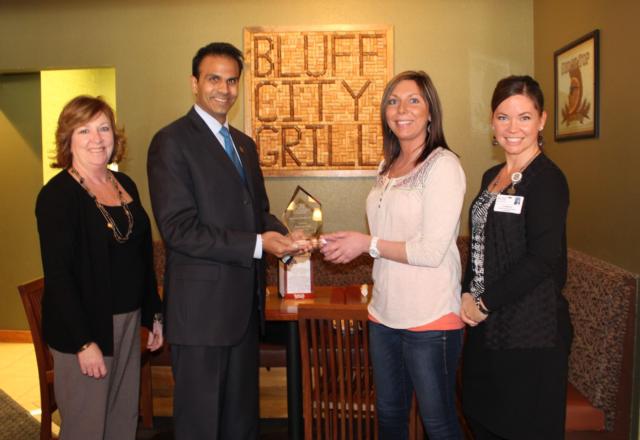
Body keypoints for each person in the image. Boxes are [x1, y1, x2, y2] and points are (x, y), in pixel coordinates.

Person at [147, 42, 307, 440]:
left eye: (232, 80)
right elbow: (179, 229)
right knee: (201, 425)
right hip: (200, 317)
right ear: (194, 83)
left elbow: (258, 213)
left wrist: (288, 235)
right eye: (214, 78)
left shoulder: (244, 144)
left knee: (241, 424)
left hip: (243, 314)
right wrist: (258, 244)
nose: (224, 88)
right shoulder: (171, 142)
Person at [321, 71, 466, 439]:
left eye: (413, 100)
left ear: (431, 111)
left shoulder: (444, 165)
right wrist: (344, 244)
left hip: (430, 318)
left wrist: (366, 243)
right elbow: (387, 235)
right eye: (392, 101)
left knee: (438, 424)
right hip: (384, 315)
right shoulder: (386, 167)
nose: (401, 109)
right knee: (388, 417)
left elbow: (432, 251)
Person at [35, 96, 164, 440]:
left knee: (122, 419)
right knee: (86, 427)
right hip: (85, 327)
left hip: (127, 322)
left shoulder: (126, 186)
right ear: (68, 140)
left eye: (103, 128)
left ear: (114, 136)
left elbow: (142, 260)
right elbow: (59, 277)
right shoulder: (57, 196)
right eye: (84, 130)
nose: (97, 138)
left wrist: (154, 314)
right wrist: (83, 343)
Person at [460, 75, 572, 440]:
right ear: (492, 122)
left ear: (541, 121)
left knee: (521, 428)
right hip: (486, 326)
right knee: (482, 419)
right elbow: (479, 242)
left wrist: (484, 302)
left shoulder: (548, 180)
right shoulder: (492, 175)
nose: (513, 127)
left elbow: (543, 259)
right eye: (503, 116)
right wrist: (466, 293)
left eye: (524, 117)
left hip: (529, 333)